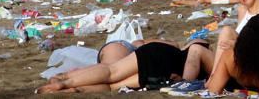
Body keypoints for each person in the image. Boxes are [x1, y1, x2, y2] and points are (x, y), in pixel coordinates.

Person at [37, 40, 212, 93]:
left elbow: (196, 48)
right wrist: (185, 82)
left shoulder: (204, 51)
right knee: (113, 86)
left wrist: (186, 82)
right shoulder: (216, 66)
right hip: (169, 74)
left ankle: (65, 80)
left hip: (163, 58)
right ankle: (72, 90)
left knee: (112, 73)